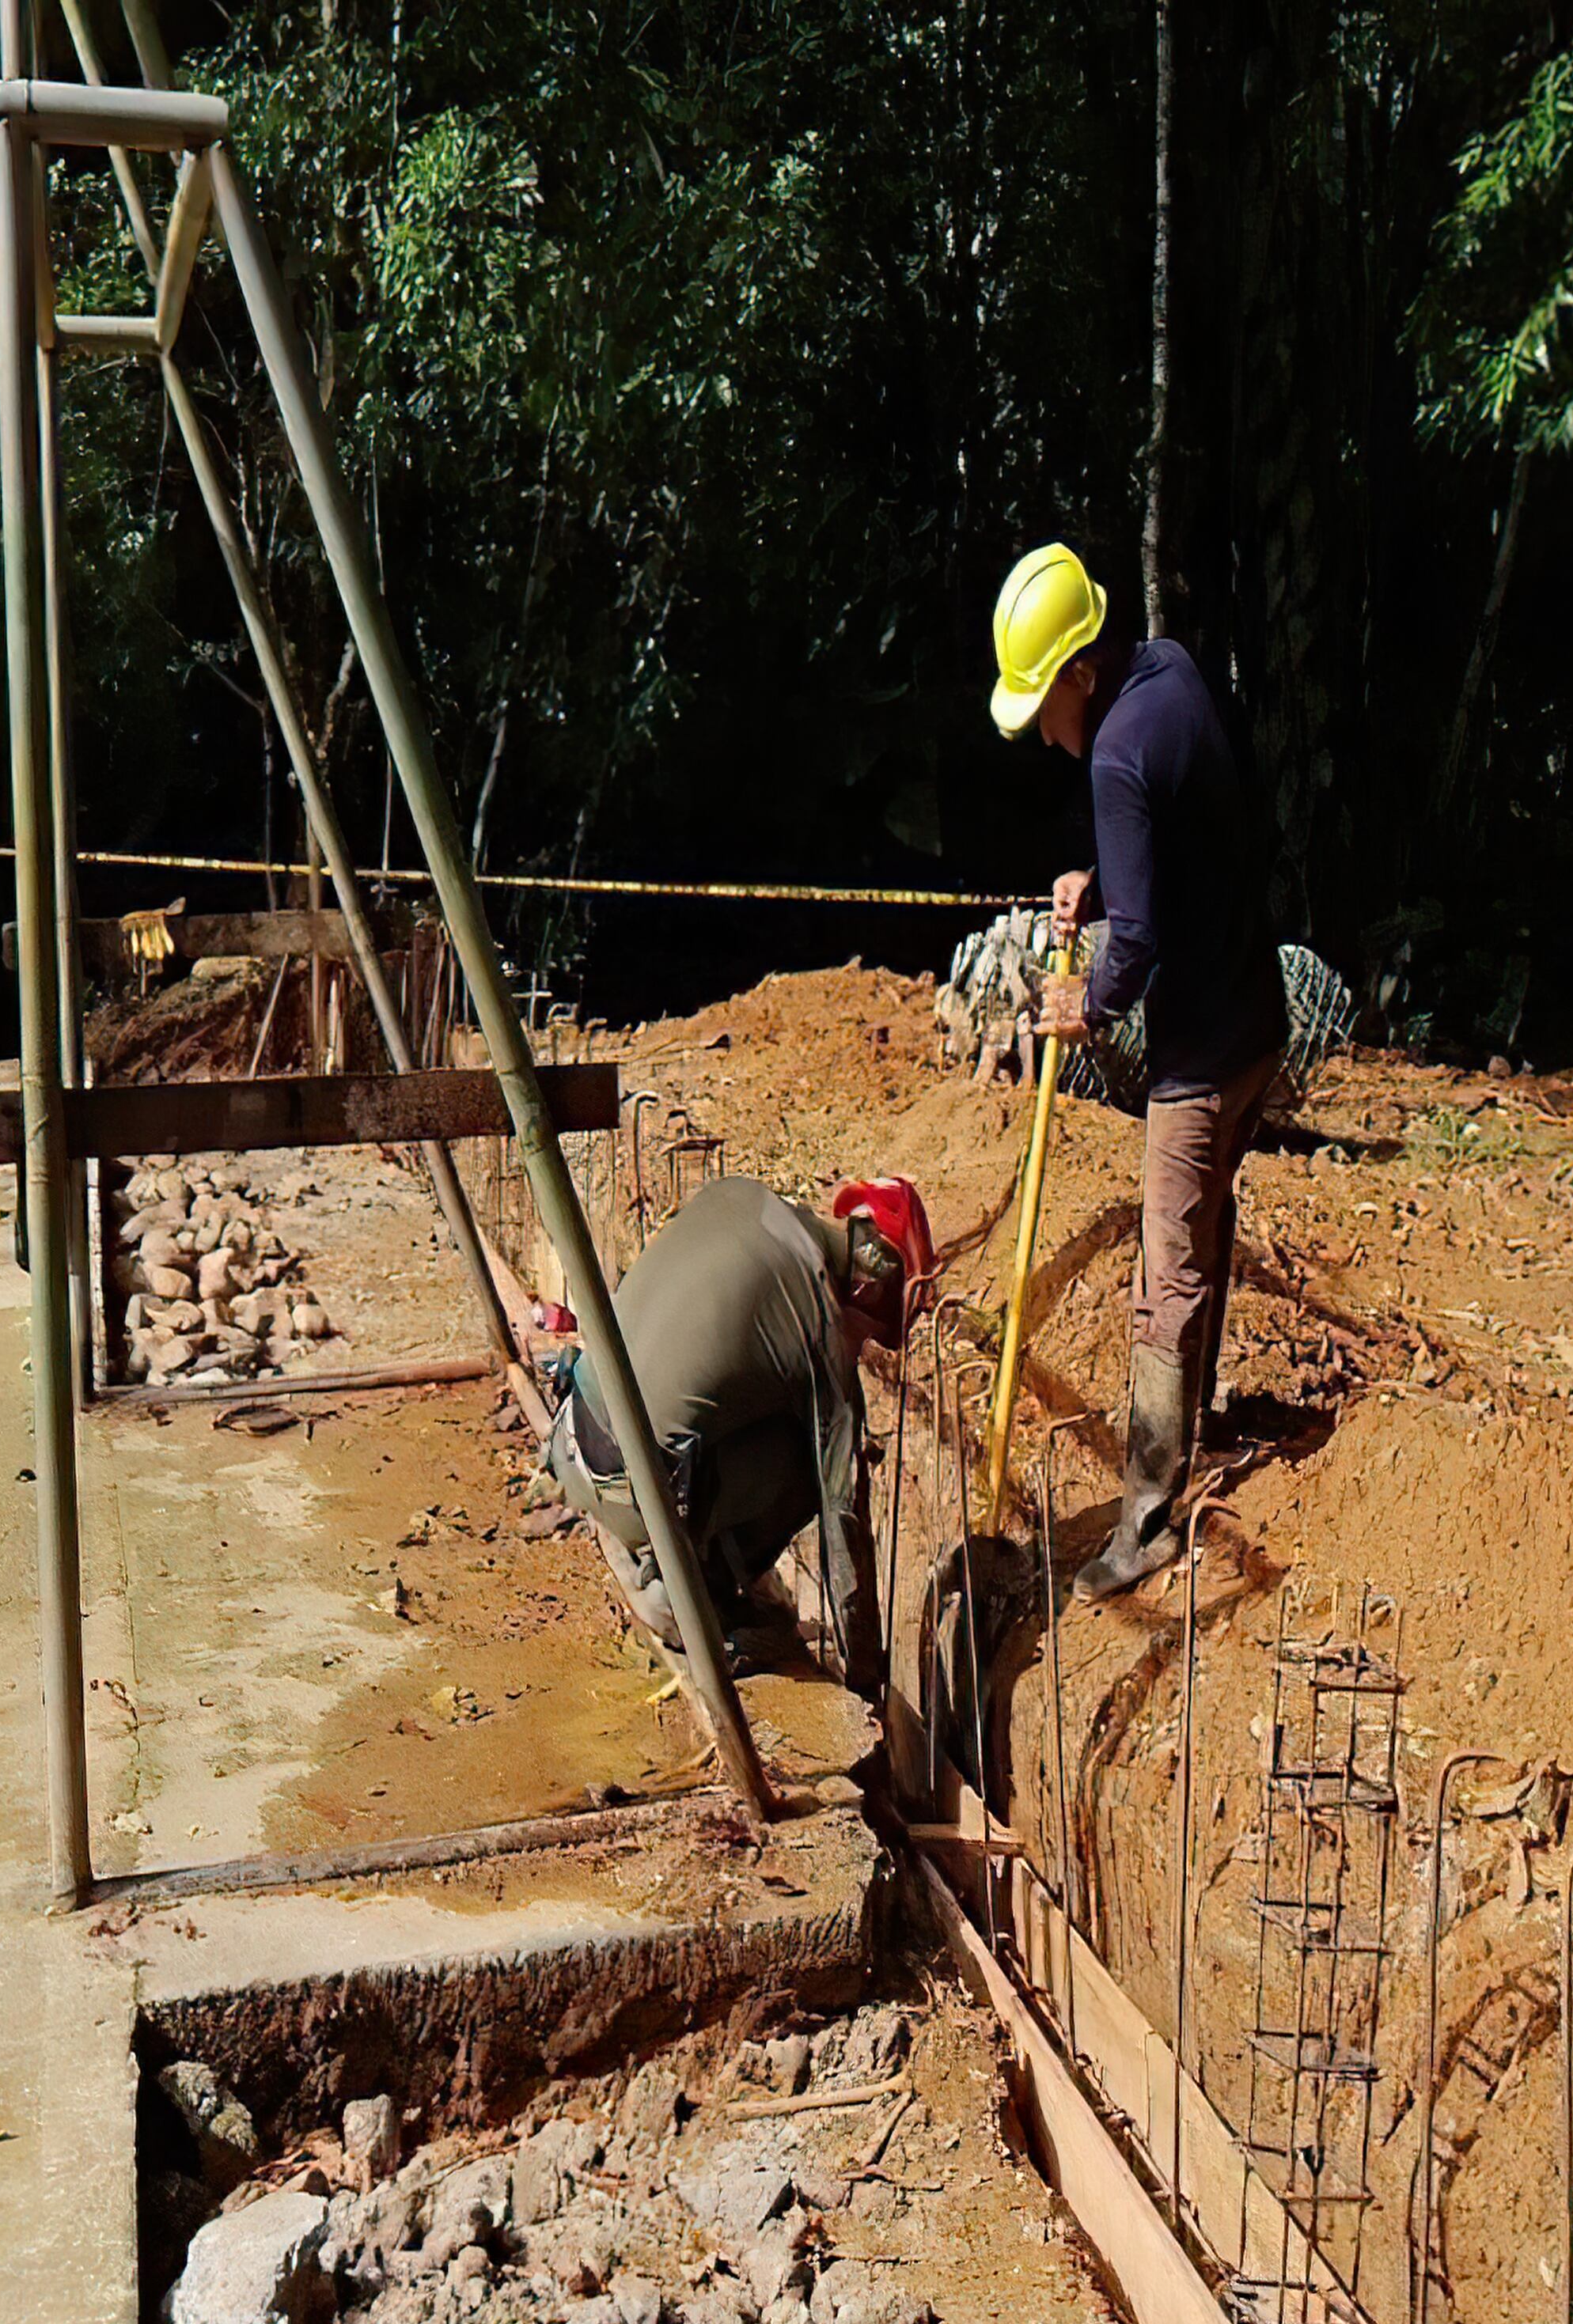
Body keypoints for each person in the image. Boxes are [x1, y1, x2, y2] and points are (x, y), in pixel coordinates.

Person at [989, 540, 1286, 1596]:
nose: (1044, 734)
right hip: (1258, 1018)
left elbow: (1148, 931)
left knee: (1165, 1273)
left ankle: (1150, 1519)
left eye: (1043, 707)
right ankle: (1198, 1426)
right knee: (1209, 1216)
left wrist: (1090, 1000)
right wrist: (1103, 889)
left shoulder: (1112, 755)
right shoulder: (1168, 669)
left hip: (1200, 1051)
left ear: (1079, 671)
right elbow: (1185, 846)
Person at [544, 1173, 933, 1695]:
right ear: (874, 1280)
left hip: (574, 1435)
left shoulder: (742, 1197)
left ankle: (682, 1567)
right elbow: (843, 1522)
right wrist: (865, 1678)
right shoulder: (816, 1315)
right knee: (808, 1455)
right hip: (631, 1494)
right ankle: (693, 1597)